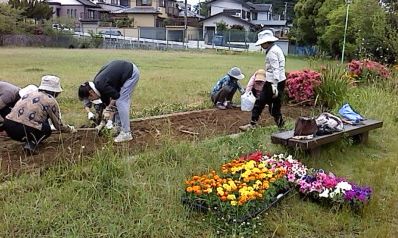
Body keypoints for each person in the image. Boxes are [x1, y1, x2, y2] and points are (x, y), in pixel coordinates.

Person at [3, 75, 76, 153]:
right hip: (25, 129)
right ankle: (31, 144)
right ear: (55, 92)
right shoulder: (50, 100)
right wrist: (70, 129)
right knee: (47, 129)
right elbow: (58, 125)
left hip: (8, 125)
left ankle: (29, 139)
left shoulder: (29, 94)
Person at [78, 60, 140, 143]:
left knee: (121, 101)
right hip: (123, 73)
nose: (92, 101)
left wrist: (108, 108)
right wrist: (103, 123)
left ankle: (126, 133)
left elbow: (116, 97)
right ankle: (118, 126)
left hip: (130, 73)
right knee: (117, 103)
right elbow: (111, 107)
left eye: (90, 99)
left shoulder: (101, 85)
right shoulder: (99, 89)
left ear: (91, 93)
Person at [240, 30, 286, 131]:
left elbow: (275, 68)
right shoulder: (276, 49)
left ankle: (253, 124)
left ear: (266, 42)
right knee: (272, 106)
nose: (261, 46)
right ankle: (281, 126)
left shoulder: (272, 52)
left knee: (262, 102)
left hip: (274, 82)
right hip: (278, 81)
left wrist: (274, 86)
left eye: (262, 43)